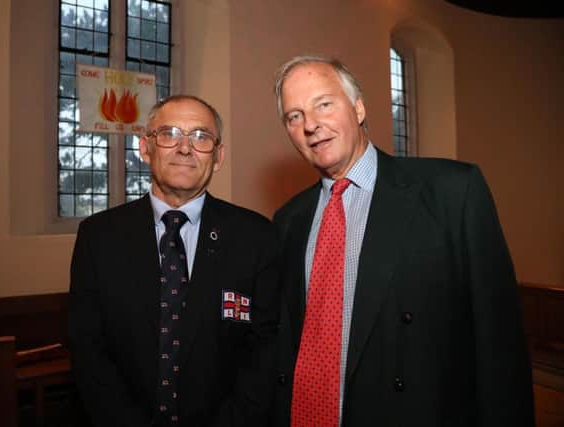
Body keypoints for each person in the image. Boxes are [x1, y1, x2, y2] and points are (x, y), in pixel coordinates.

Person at [271, 55, 534, 426]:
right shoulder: (287, 221)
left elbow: (499, 345)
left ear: (358, 107)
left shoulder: (452, 192)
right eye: (294, 116)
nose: (311, 125)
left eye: (324, 104)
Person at [68, 95, 280, 427]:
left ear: (218, 156)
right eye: (169, 134)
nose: (185, 148)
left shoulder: (256, 237)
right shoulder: (98, 237)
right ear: (144, 147)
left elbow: (266, 351)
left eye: (201, 137)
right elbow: (88, 350)